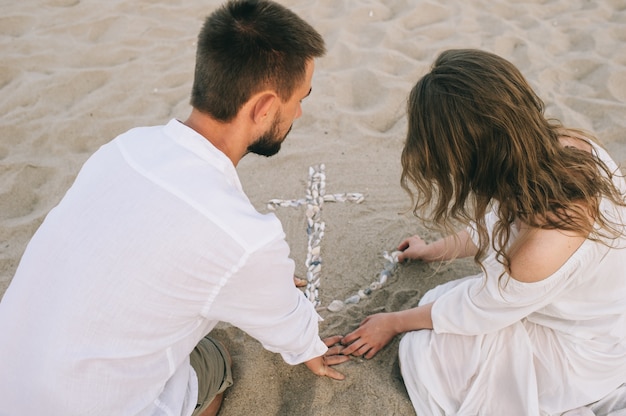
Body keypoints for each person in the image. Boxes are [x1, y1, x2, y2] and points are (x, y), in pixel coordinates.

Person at [0, 1, 349, 415]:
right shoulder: (245, 238)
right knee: (215, 360)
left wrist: (258, 279)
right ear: (264, 107)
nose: (300, 112)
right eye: (299, 98)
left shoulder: (123, 148)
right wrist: (309, 346)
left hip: (10, 381)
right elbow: (292, 330)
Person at [342, 49, 626, 415]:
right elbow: (499, 224)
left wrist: (392, 322)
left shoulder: (540, 248)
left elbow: (476, 309)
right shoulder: (568, 145)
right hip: (601, 310)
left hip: (584, 348)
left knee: (424, 352)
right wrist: (435, 249)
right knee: (438, 302)